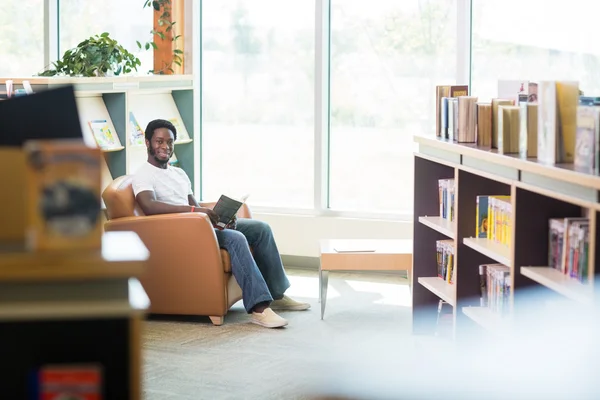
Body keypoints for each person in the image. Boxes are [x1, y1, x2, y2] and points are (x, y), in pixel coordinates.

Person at [131, 119, 310, 329]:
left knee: (261, 229)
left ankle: (277, 294)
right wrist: (196, 213)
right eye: (159, 141)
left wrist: (218, 218)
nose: (165, 147)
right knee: (236, 238)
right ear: (147, 142)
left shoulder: (178, 173)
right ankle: (259, 309)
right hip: (179, 233)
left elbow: (193, 205)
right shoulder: (143, 174)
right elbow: (149, 206)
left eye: (169, 142)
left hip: (198, 226)